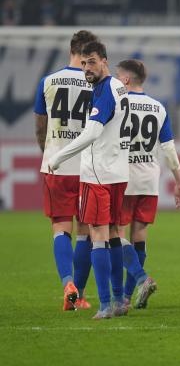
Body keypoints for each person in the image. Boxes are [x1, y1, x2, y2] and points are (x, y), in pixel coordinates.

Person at [48, 40, 131, 320]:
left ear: (104, 60)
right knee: (116, 234)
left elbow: (93, 132)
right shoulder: (118, 86)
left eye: (92, 62)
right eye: (83, 63)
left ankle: (106, 304)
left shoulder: (105, 90)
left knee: (98, 236)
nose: (87, 68)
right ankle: (119, 300)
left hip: (98, 174)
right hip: (118, 171)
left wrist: (59, 157)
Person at [114, 59, 180, 308]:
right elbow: (168, 148)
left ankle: (141, 278)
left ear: (125, 79)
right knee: (140, 235)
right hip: (148, 178)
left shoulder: (117, 104)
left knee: (115, 233)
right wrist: (179, 182)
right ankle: (125, 298)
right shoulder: (158, 108)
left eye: (117, 76)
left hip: (121, 177)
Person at [34, 30, 97, 311]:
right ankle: (80, 295)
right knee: (85, 231)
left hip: (56, 164)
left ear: (71, 50)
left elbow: (39, 124)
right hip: (87, 167)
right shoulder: (97, 83)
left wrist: (46, 151)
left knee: (60, 228)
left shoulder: (48, 81)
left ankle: (68, 283)